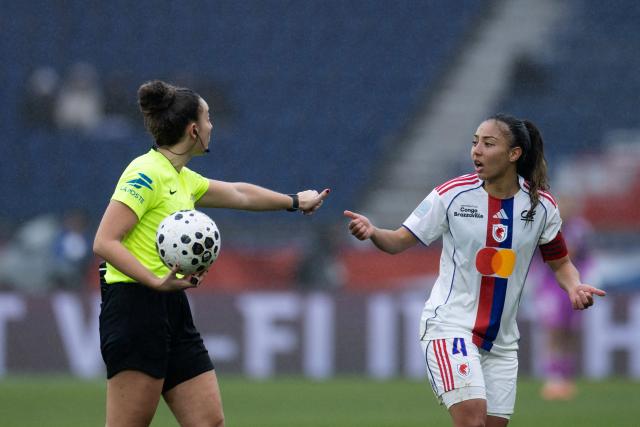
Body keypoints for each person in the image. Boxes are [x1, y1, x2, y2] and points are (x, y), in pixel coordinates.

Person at [93, 80, 330, 427]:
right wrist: (154, 282)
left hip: (172, 307)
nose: (211, 126)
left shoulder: (182, 178)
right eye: (208, 119)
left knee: (208, 422)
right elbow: (104, 241)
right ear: (193, 130)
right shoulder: (145, 172)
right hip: (134, 306)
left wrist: (294, 201)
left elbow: (239, 194)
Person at [344, 113, 605, 427]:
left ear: (514, 154)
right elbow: (398, 241)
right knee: (472, 422)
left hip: (502, 341)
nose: (476, 151)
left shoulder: (541, 206)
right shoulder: (451, 195)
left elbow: (560, 261)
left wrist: (574, 285)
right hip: (450, 327)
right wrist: (373, 231)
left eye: (488, 143)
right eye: (474, 143)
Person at [534, 195, 594, 400]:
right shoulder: (548, 225)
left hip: (574, 283)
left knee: (570, 332)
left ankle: (566, 378)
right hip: (550, 285)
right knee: (553, 330)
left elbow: (578, 255)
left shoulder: (580, 228)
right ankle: (553, 378)